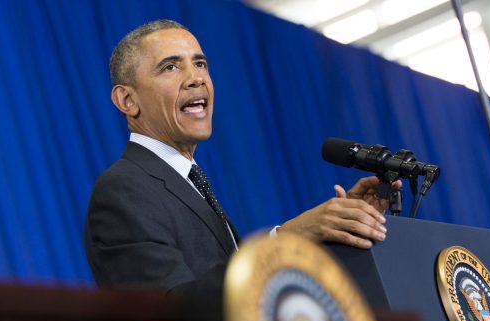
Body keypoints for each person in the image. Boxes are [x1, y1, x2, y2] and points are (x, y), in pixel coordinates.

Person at [85, 19, 397, 295]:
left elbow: (230, 288)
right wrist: (284, 239)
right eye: (171, 67)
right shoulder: (124, 188)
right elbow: (169, 311)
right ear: (127, 100)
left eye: (200, 64)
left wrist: (335, 230)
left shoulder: (187, 181)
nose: (196, 78)